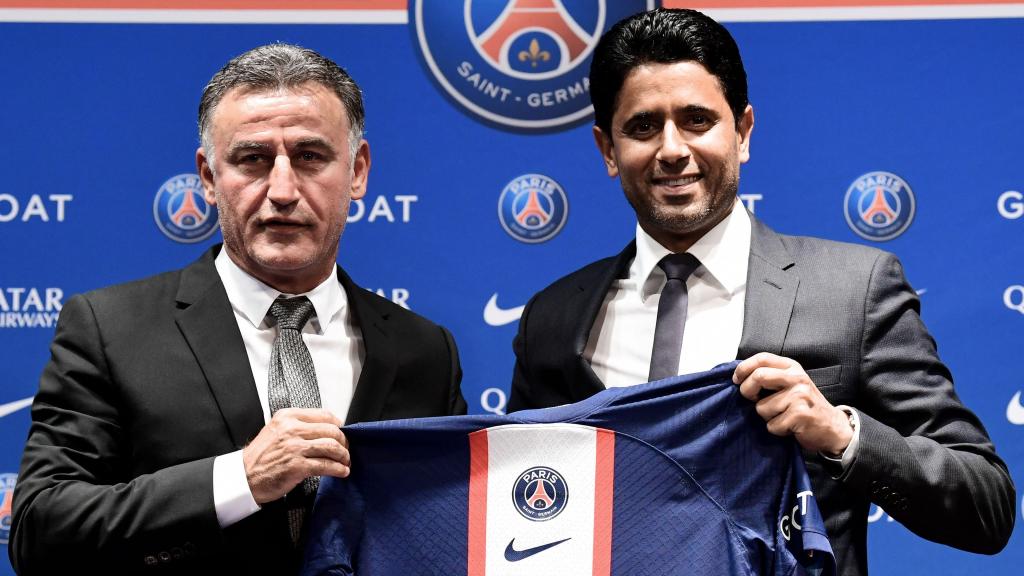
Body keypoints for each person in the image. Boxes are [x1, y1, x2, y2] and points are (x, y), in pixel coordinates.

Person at [507, 8, 1014, 576]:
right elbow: (521, 514)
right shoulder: (552, 319)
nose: (672, 149)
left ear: (742, 132)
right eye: (643, 126)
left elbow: (986, 506)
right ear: (607, 148)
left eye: (697, 119)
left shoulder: (854, 290)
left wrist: (842, 436)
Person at [9, 43, 466, 575]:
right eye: (252, 159)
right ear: (207, 177)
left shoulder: (425, 349)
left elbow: (451, 530)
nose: (282, 190)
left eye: (310, 156)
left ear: (359, 171)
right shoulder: (109, 329)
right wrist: (239, 480)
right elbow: (41, 531)